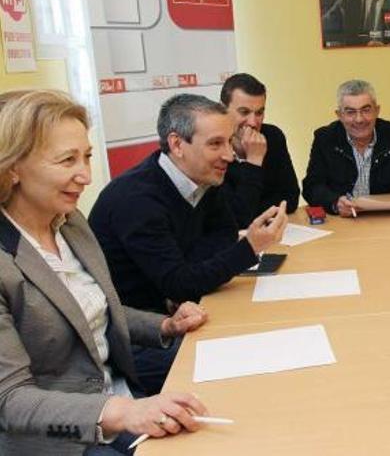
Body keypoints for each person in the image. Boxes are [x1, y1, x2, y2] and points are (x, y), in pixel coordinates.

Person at [0, 90, 211, 455]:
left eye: (87, 157)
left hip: (118, 399)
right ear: (12, 167)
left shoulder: (69, 223)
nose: (85, 175)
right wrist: (123, 411)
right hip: (60, 438)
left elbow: (89, 310)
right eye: (68, 160)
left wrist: (164, 326)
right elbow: (10, 400)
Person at [89, 94, 286, 395]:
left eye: (229, 142)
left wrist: (190, 272)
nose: (230, 156)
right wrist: (249, 248)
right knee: (247, 363)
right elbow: (180, 282)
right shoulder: (137, 199)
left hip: (178, 313)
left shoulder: (204, 178)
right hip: (135, 339)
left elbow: (221, 237)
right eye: (215, 144)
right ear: (177, 145)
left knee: (264, 336)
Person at [302, 79, 390, 216]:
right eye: (350, 112)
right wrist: (335, 203)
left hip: (389, 218)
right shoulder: (325, 138)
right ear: (339, 115)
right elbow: (312, 186)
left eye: (366, 110)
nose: (359, 119)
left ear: (377, 111)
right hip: (344, 221)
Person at [219, 73, 300, 228]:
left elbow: (290, 199)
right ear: (223, 109)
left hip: (275, 234)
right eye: (244, 112)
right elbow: (235, 218)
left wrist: (253, 208)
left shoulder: (273, 136)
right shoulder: (215, 147)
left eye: (259, 112)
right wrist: (254, 162)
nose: (253, 122)